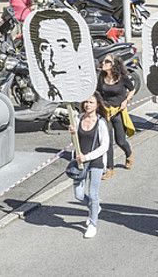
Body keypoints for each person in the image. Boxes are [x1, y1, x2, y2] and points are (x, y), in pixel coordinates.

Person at [68, 93, 110, 238]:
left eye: (91, 102)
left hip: (95, 161)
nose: (87, 105)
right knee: (79, 195)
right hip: (80, 161)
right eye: (86, 102)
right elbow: (75, 142)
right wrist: (72, 134)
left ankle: (93, 224)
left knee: (93, 194)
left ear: (97, 105)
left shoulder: (101, 122)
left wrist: (88, 156)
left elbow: (105, 146)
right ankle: (95, 207)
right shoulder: (78, 118)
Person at [28, 10, 92, 101]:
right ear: (38, 61)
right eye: (45, 48)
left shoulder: (86, 99)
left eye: (62, 46)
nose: (54, 60)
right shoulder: (45, 97)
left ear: (78, 53)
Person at [96, 54, 135, 180]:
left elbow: (132, 89)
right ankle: (109, 169)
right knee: (107, 141)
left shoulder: (122, 78)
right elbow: (97, 92)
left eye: (107, 61)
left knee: (120, 141)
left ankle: (129, 153)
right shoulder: (101, 77)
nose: (103, 63)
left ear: (114, 65)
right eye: (103, 61)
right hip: (105, 111)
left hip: (118, 112)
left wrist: (126, 101)